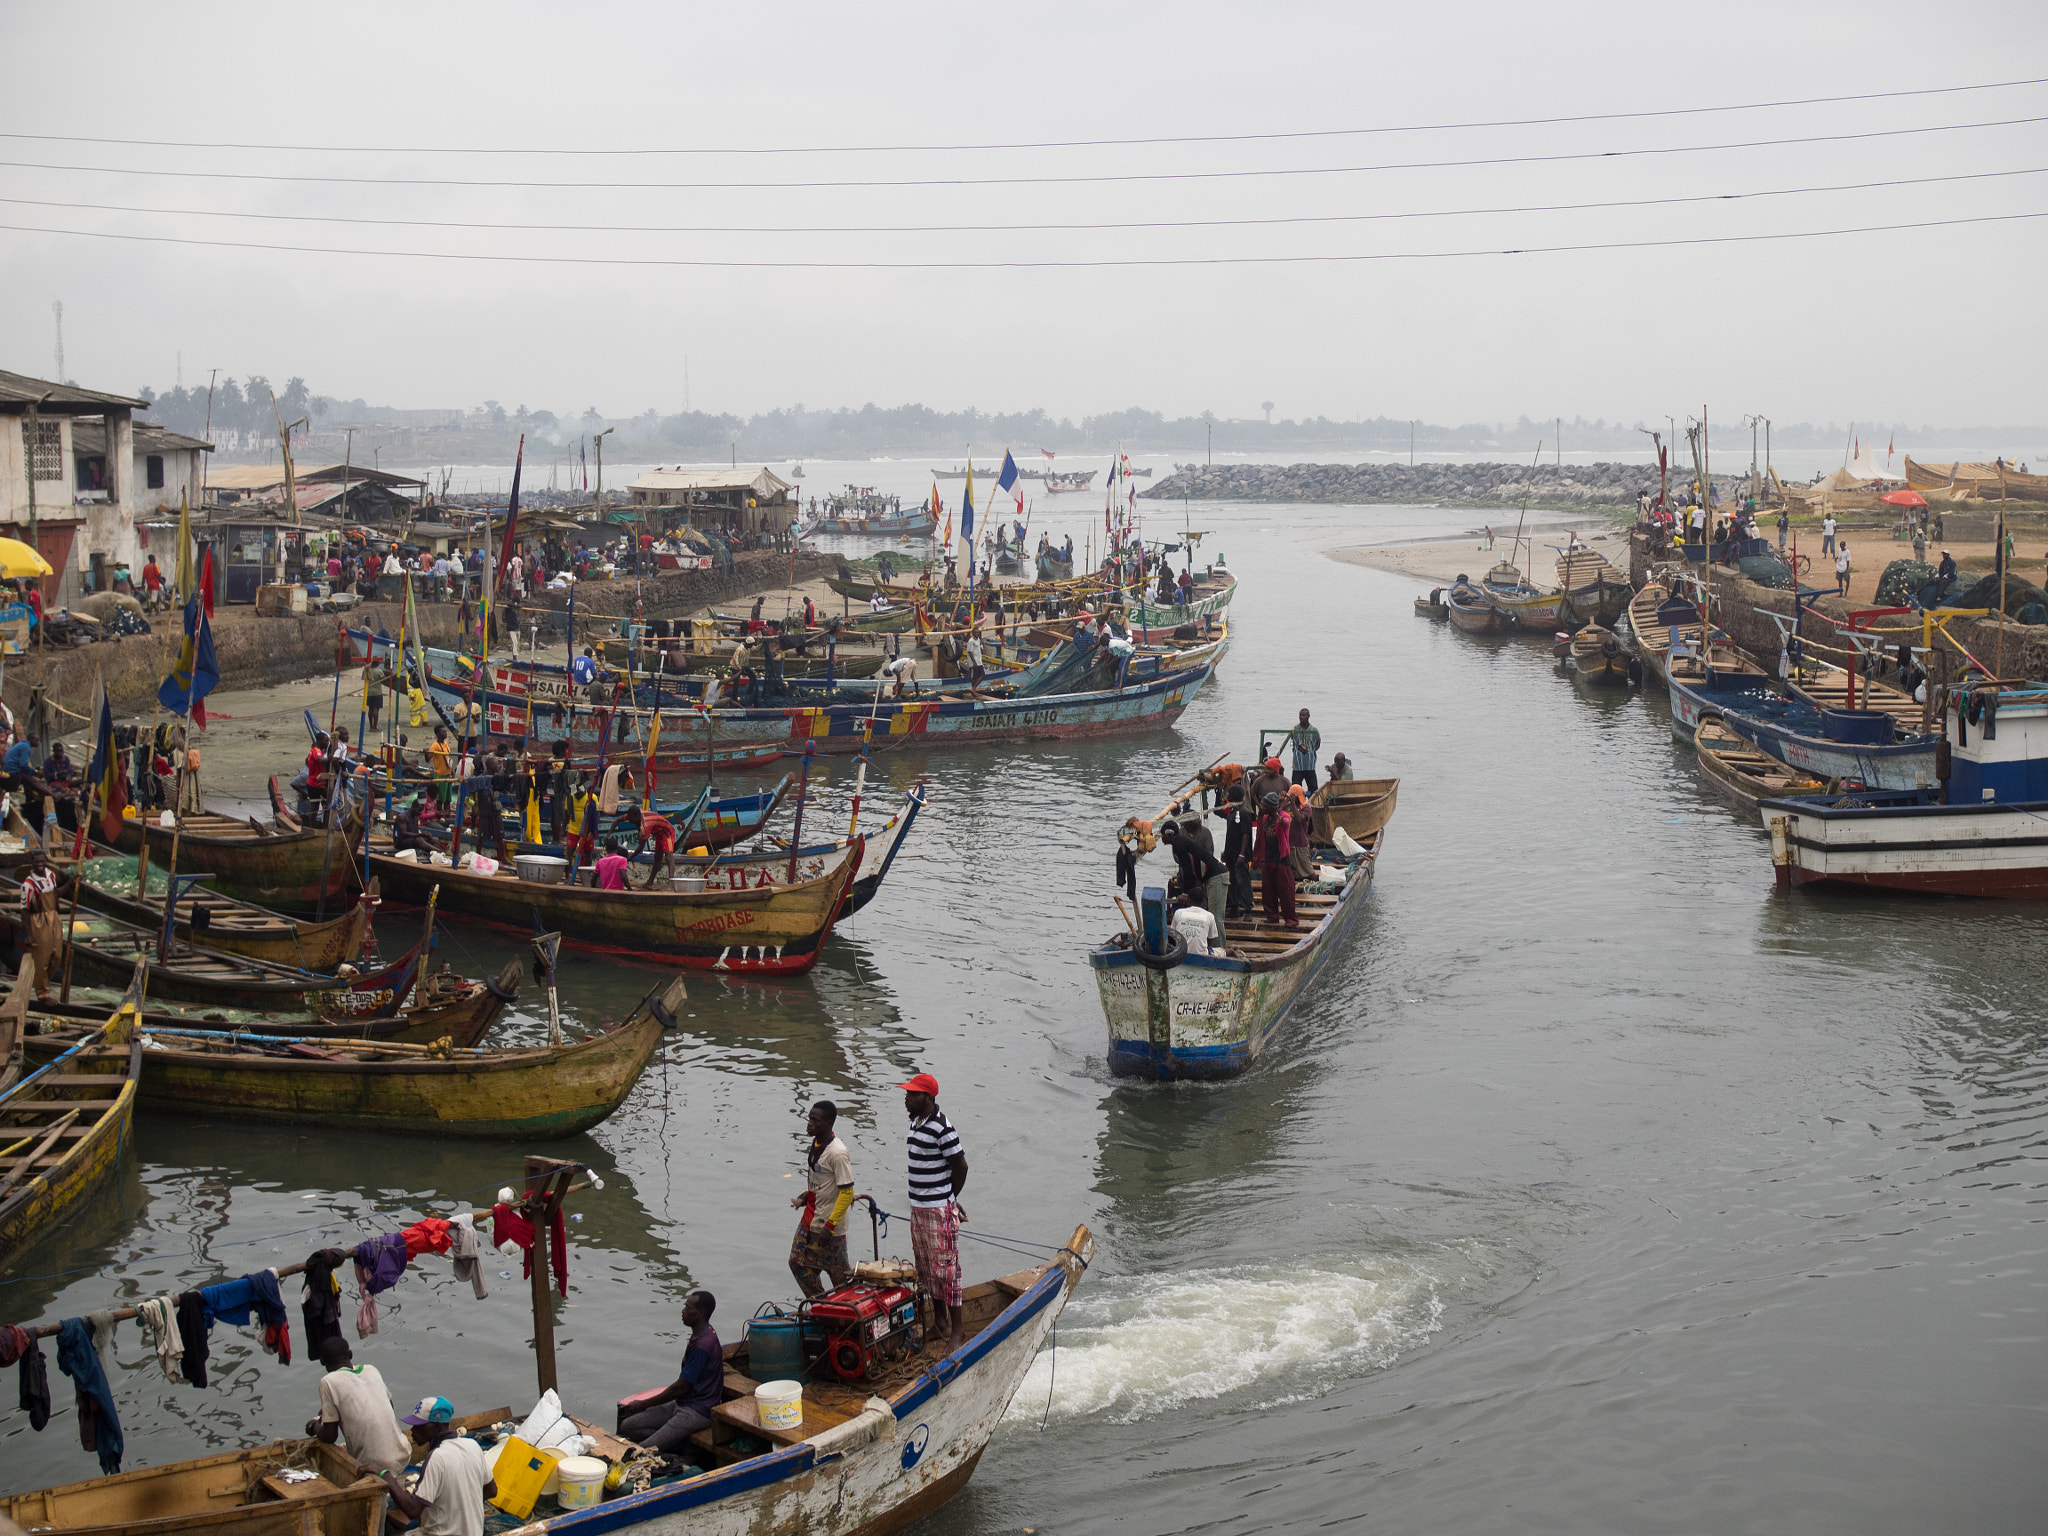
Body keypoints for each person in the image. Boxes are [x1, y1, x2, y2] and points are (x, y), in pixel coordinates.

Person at [901, 1073, 969, 1351]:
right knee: (927, 1268)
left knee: (947, 1271)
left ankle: (958, 1331)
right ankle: (939, 1322)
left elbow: (961, 1166)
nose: (906, 1098)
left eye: (911, 1094)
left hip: (938, 1209)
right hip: (918, 1208)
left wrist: (950, 1198)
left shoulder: (942, 1127)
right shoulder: (916, 1123)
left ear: (927, 1098)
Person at [362, 1396, 494, 1536]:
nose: (412, 1430)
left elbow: (412, 1511)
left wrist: (385, 1475)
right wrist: (456, 1506)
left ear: (436, 1426)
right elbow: (491, 1490)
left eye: (419, 1425)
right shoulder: (472, 1446)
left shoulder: (437, 1457)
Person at [619, 1292, 722, 1455]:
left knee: (644, 1449)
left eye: (688, 1307)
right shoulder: (701, 1334)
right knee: (628, 1426)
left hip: (697, 1410)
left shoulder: (703, 1345)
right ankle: (679, 1448)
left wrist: (643, 1404)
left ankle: (680, 1451)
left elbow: (680, 1387)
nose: (683, 1311)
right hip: (682, 1402)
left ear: (701, 1312)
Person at [305, 1336, 409, 1477]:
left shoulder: (328, 1382)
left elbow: (330, 1436)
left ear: (322, 1360)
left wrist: (314, 1427)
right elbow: (389, 1405)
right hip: (404, 1455)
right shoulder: (371, 1370)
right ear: (350, 1354)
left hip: (373, 1467)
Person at [790, 1100, 856, 1297]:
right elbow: (821, 1180)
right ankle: (822, 1305)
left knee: (840, 1279)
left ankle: (847, 1312)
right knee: (797, 1263)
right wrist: (807, 1193)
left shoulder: (838, 1153)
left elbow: (847, 1192)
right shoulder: (816, 1142)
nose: (809, 1123)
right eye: (809, 1119)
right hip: (810, 1219)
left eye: (815, 1120)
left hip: (829, 1226)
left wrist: (830, 1225)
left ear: (829, 1122)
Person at [1158, 819, 1228, 935]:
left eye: (1163, 835)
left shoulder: (1178, 845)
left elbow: (1187, 870)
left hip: (1217, 876)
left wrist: (1186, 893)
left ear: (1169, 834)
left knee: (1216, 918)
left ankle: (1219, 949)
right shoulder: (1180, 842)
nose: (1161, 838)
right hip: (1210, 877)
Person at [17, 849, 60, 1000]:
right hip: (39, 921)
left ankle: (41, 983)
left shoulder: (51, 875)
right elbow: (24, 911)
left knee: (57, 957)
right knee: (41, 959)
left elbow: (56, 893)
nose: (40, 865)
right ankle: (42, 994)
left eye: (42, 861)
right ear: (32, 864)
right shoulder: (28, 885)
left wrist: (71, 882)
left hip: (53, 917)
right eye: (37, 862)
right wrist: (28, 934)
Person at [1211, 783, 1256, 920]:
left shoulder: (1243, 812)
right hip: (1231, 853)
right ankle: (1234, 906)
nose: (1227, 795)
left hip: (1239, 854)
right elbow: (1230, 832)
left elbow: (1245, 834)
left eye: (1228, 793)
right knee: (1232, 880)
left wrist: (1242, 854)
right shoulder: (1231, 811)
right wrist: (1226, 850)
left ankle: (1248, 908)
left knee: (1242, 880)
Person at [1256, 790, 1299, 929]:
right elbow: (1261, 838)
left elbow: (1286, 823)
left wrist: (1281, 821)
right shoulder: (1264, 819)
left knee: (1286, 891)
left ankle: (1290, 919)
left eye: (1264, 806)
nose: (1261, 807)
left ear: (1271, 807)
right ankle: (1272, 916)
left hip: (1282, 859)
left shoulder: (1283, 816)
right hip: (1268, 858)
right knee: (1268, 891)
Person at [623, 803, 678, 884]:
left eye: (631, 820)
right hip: (658, 835)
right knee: (657, 858)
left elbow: (641, 847)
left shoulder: (645, 825)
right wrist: (609, 834)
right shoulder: (636, 815)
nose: (630, 822)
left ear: (636, 817)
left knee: (669, 857)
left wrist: (630, 857)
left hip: (667, 833)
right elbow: (618, 820)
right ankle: (650, 881)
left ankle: (671, 884)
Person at [1287, 710, 1322, 792]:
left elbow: (1317, 744)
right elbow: (1293, 743)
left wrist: (1310, 752)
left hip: (1310, 765)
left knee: (1313, 788)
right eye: (1300, 715)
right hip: (1297, 766)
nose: (1301, 717)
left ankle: (1311, 804)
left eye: (1304, 715)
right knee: (1296, 789)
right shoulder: (1294, 729)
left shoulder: (1314, 730)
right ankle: (1297, 804)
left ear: (1308, 716)